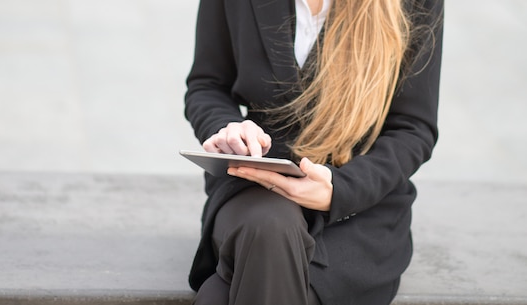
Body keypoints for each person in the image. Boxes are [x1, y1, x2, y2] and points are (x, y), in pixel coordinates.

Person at [183, 0, 443, 304]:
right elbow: (208, 84)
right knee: (269, 226)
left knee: (217, 296)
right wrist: (228, 126)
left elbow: (413, 128)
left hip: (360, 207)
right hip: (258, 186)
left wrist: (340, 189)